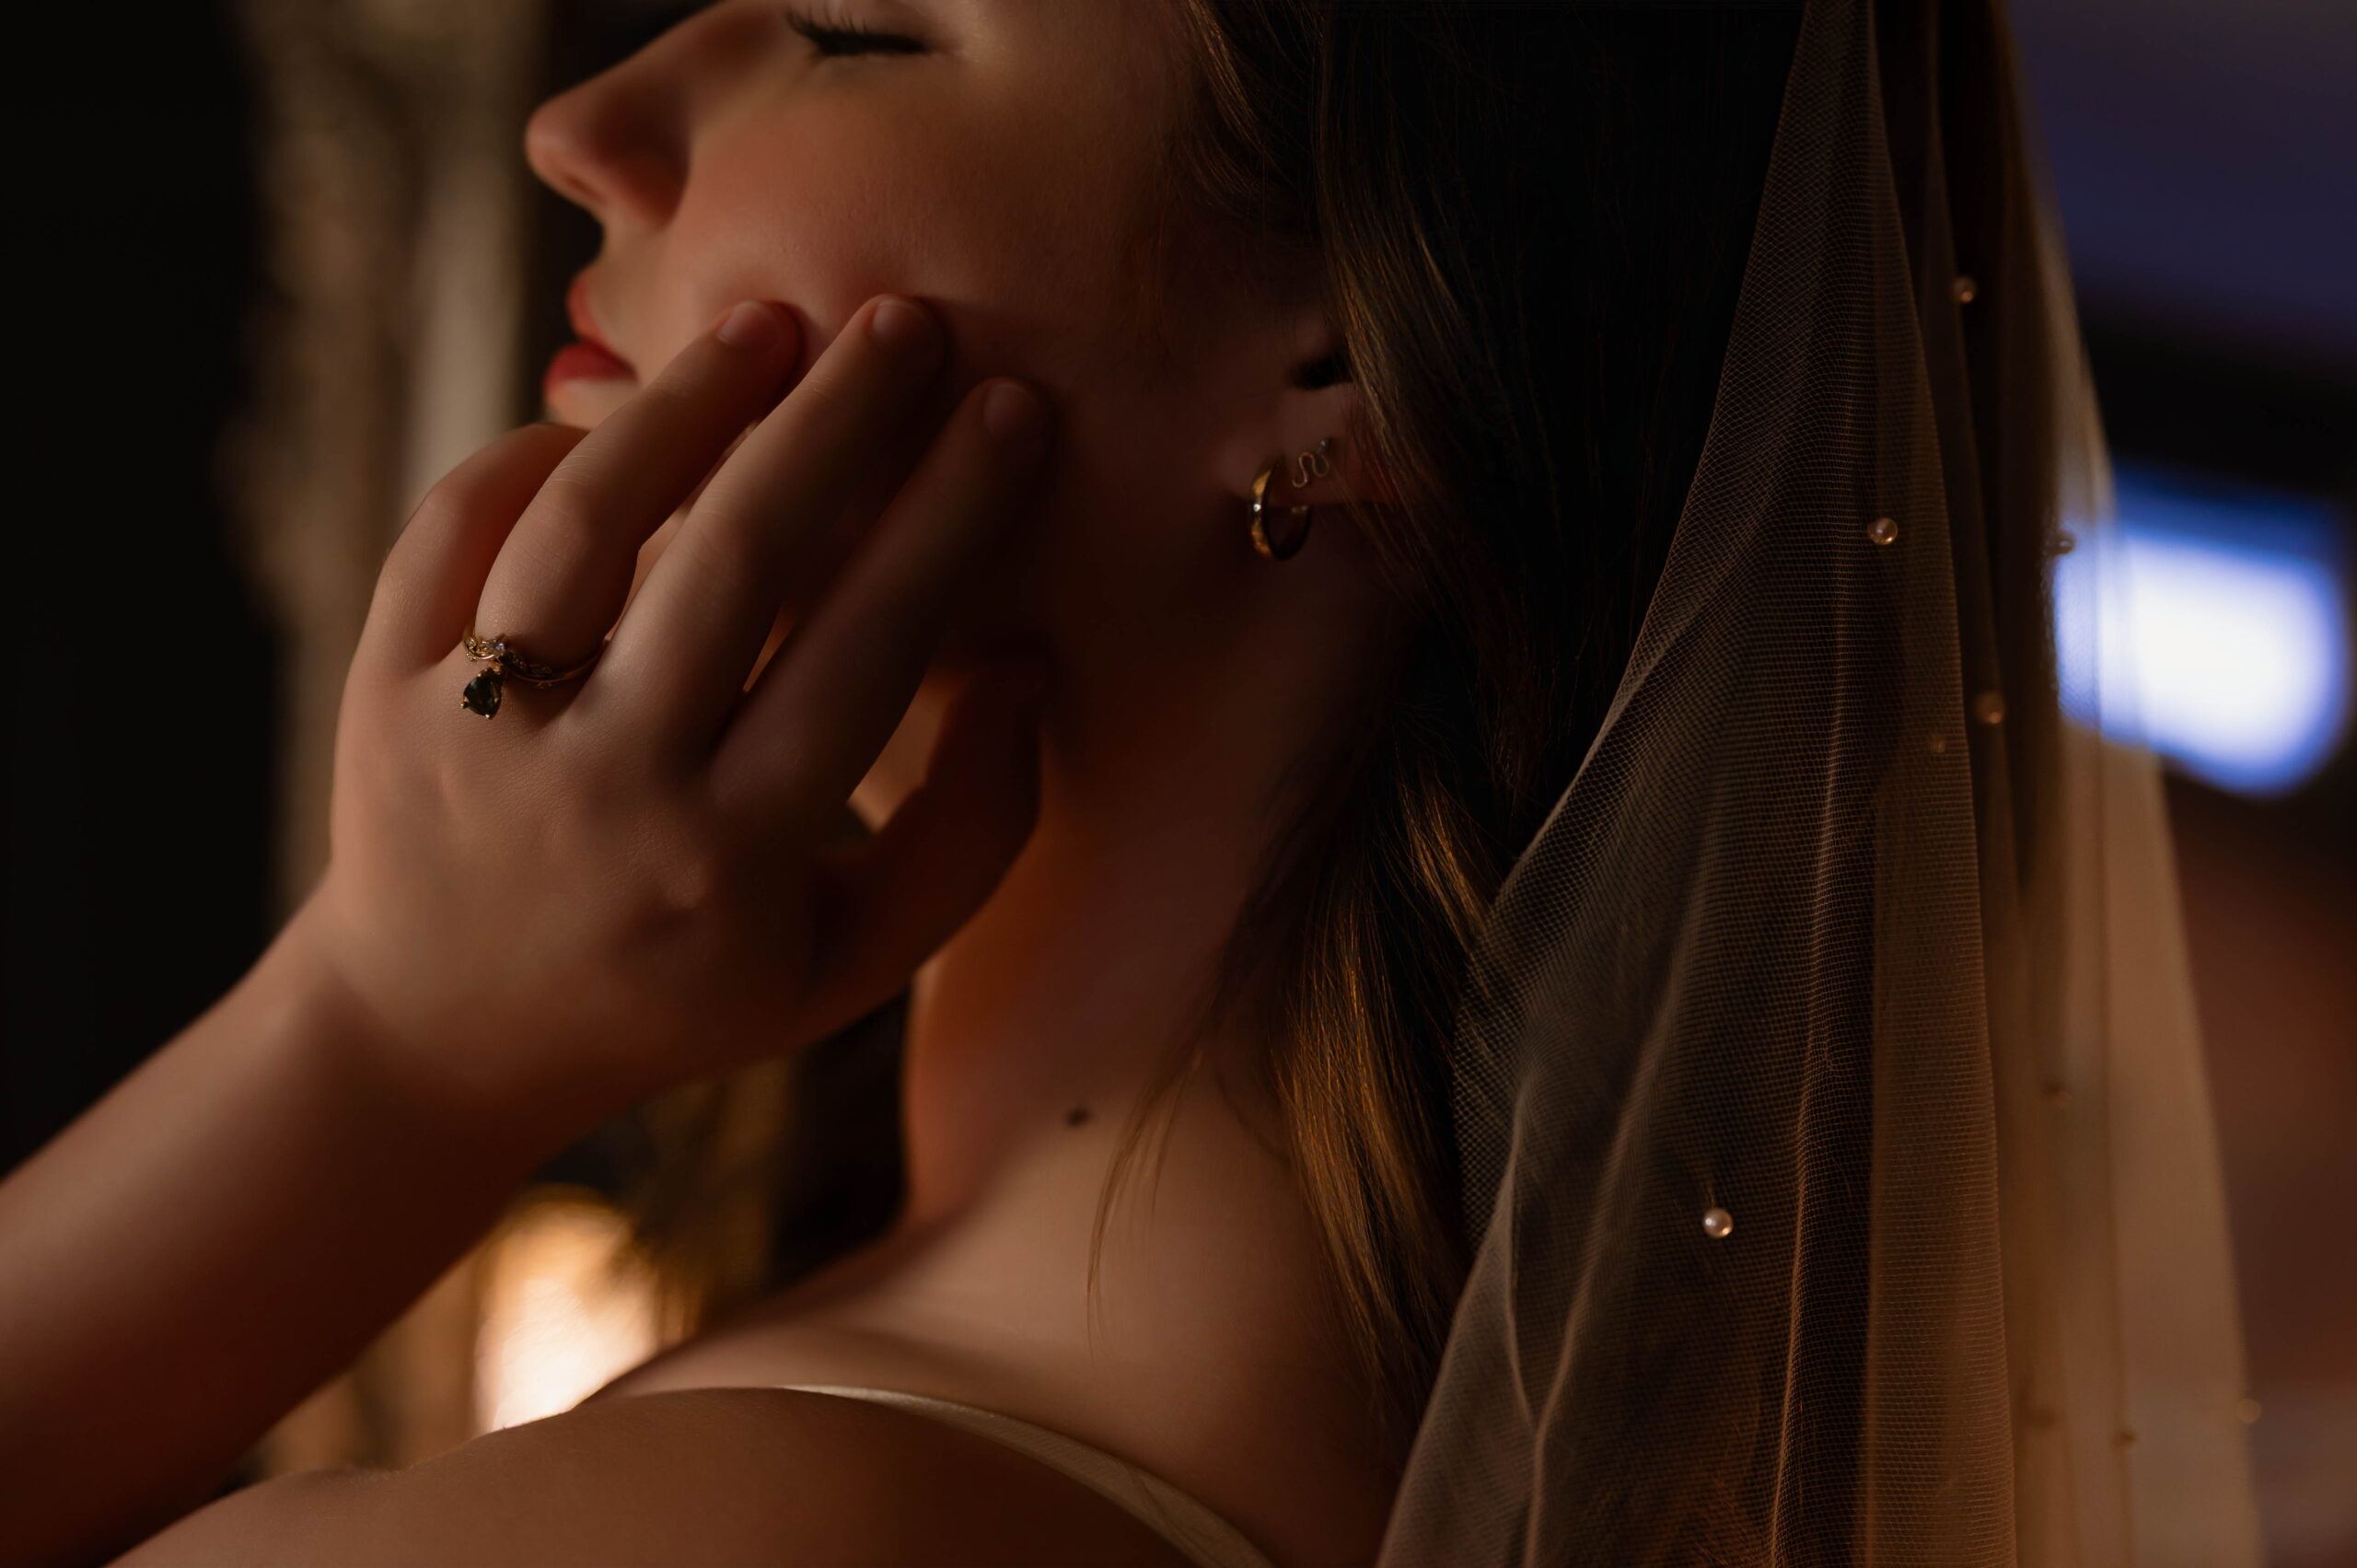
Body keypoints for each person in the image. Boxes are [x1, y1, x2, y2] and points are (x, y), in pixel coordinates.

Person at [0, 0, 2261, 1563]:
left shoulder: (761, 1536)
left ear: (1345, 342)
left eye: (851, 18)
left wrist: (385, 1053)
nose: (588, 117)